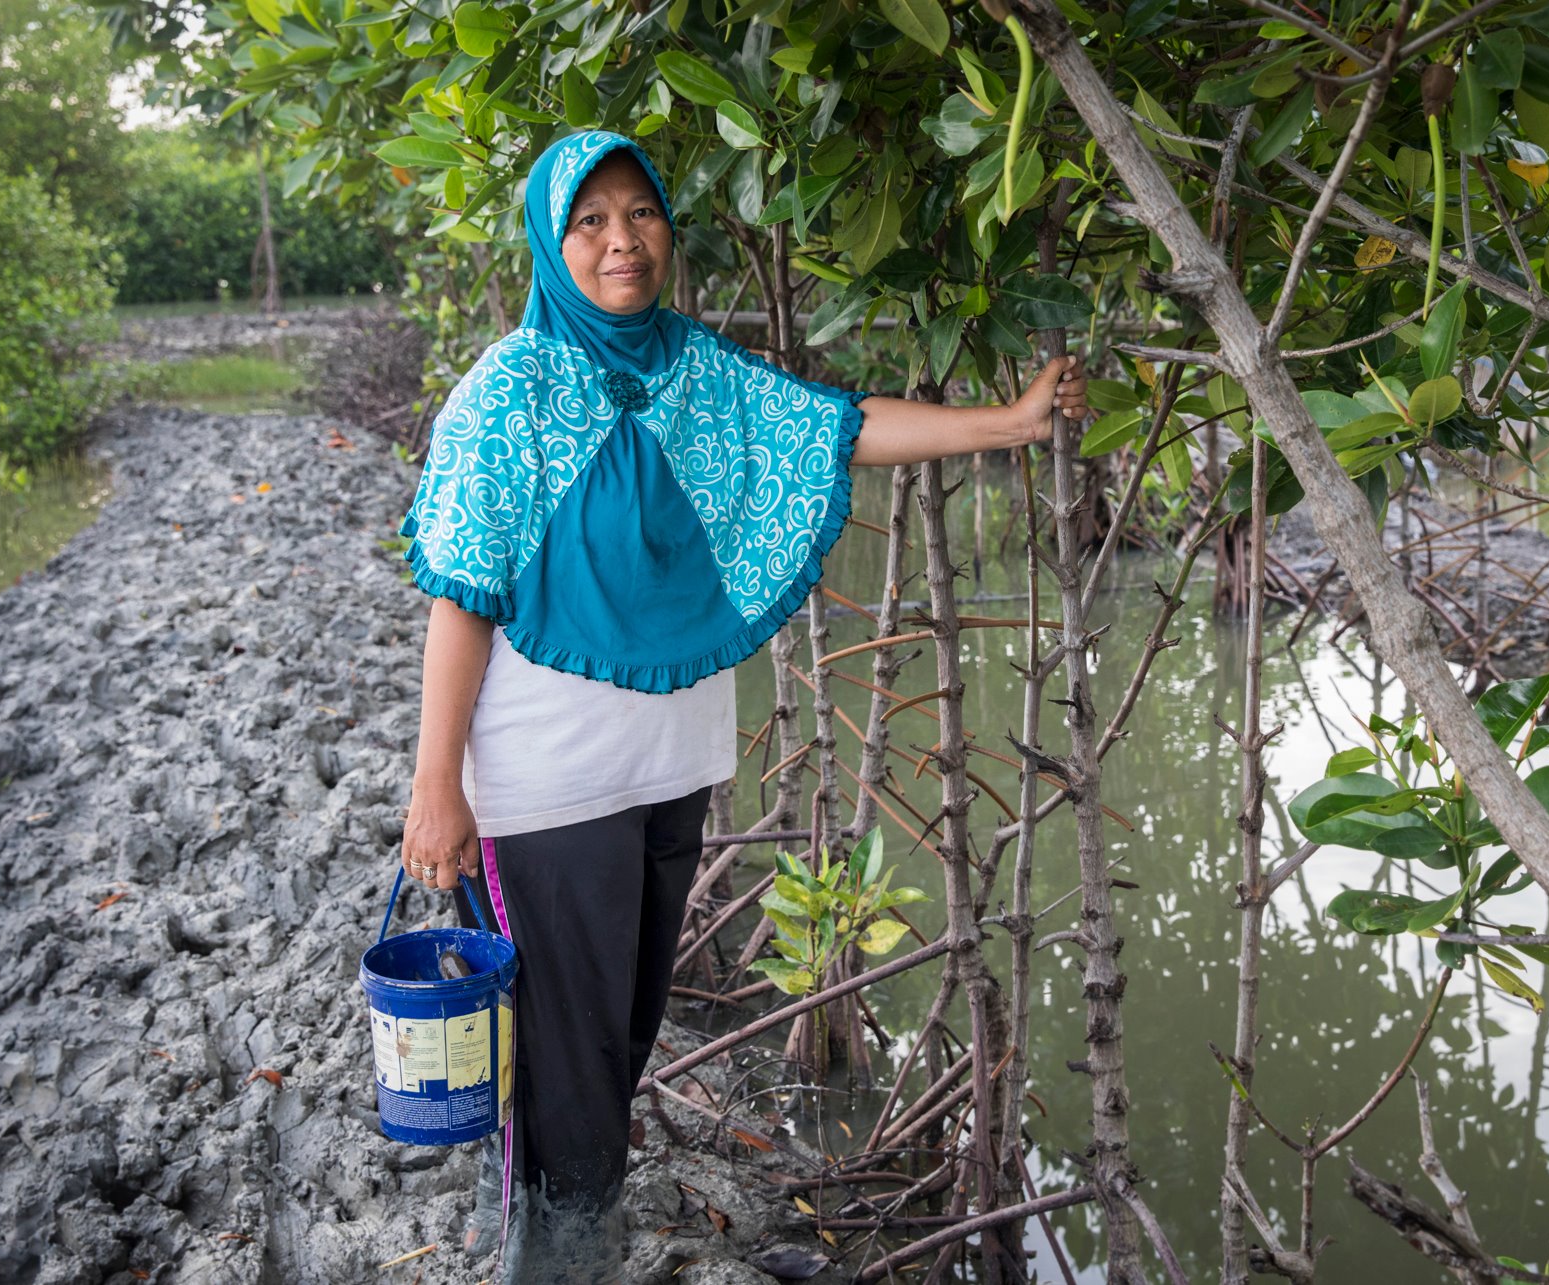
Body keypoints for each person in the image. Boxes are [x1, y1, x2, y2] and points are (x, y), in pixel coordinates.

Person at [393, 128, 1089, 1283]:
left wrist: (1009, 423)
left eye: (641, 213)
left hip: (672, 766)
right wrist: (435, 787)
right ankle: (556, 1254)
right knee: (569, 1061)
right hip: (545, 780)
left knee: (621, 1034)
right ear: (552, 244)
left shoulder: (695, 373)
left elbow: (839, 427)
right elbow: (461, 596)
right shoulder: (508, 393)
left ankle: (550, 1225)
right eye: (590, 220)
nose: (622, 240)